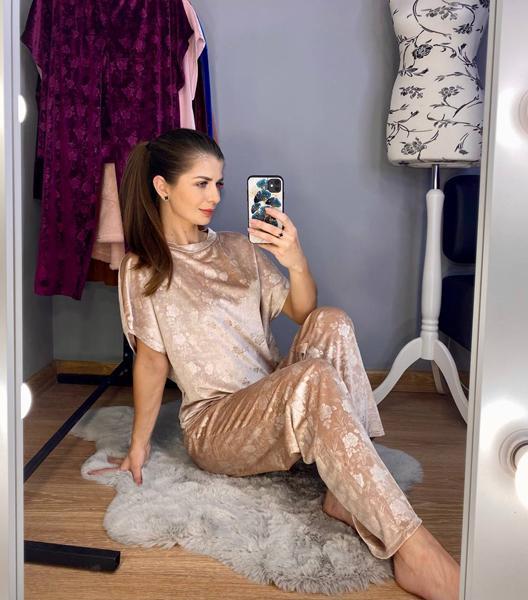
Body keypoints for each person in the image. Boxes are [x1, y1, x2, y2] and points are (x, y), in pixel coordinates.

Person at [88, 128, 460, 600]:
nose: (214, 197)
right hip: (216, 424)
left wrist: (295, 259)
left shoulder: (239, 248)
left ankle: (344, 494)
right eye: (201, 184)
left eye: (219, 184)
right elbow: (151, 363)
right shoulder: (143, 268)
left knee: (331, 320)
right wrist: (138, 447)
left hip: (273, 396)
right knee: (312, 377)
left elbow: (305, 313)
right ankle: (413, 548)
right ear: (162, 186)